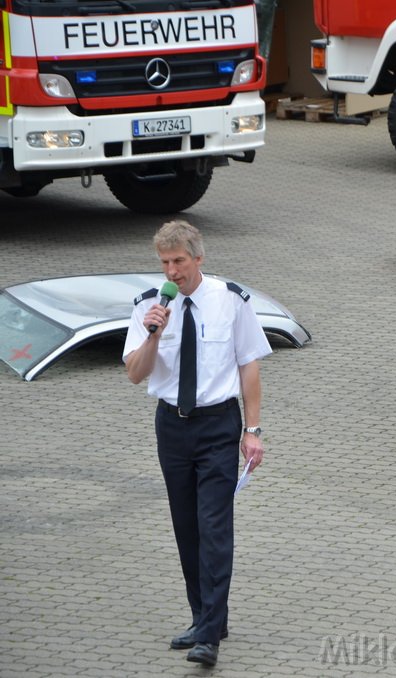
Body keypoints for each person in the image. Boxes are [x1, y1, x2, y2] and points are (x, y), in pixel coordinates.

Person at [123, 220, 271, 667]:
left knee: (214, 527)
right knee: (187, 528)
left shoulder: (230, 300)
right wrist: (154, 333)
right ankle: (206, 617)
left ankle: (209, 636)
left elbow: (249, 367)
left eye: (179, 262)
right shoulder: (149, 307)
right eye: (165, 263)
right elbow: (135, 373)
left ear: (198, 258)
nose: (172, 272)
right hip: (171, 427)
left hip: (218, 426)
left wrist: (253, 430)